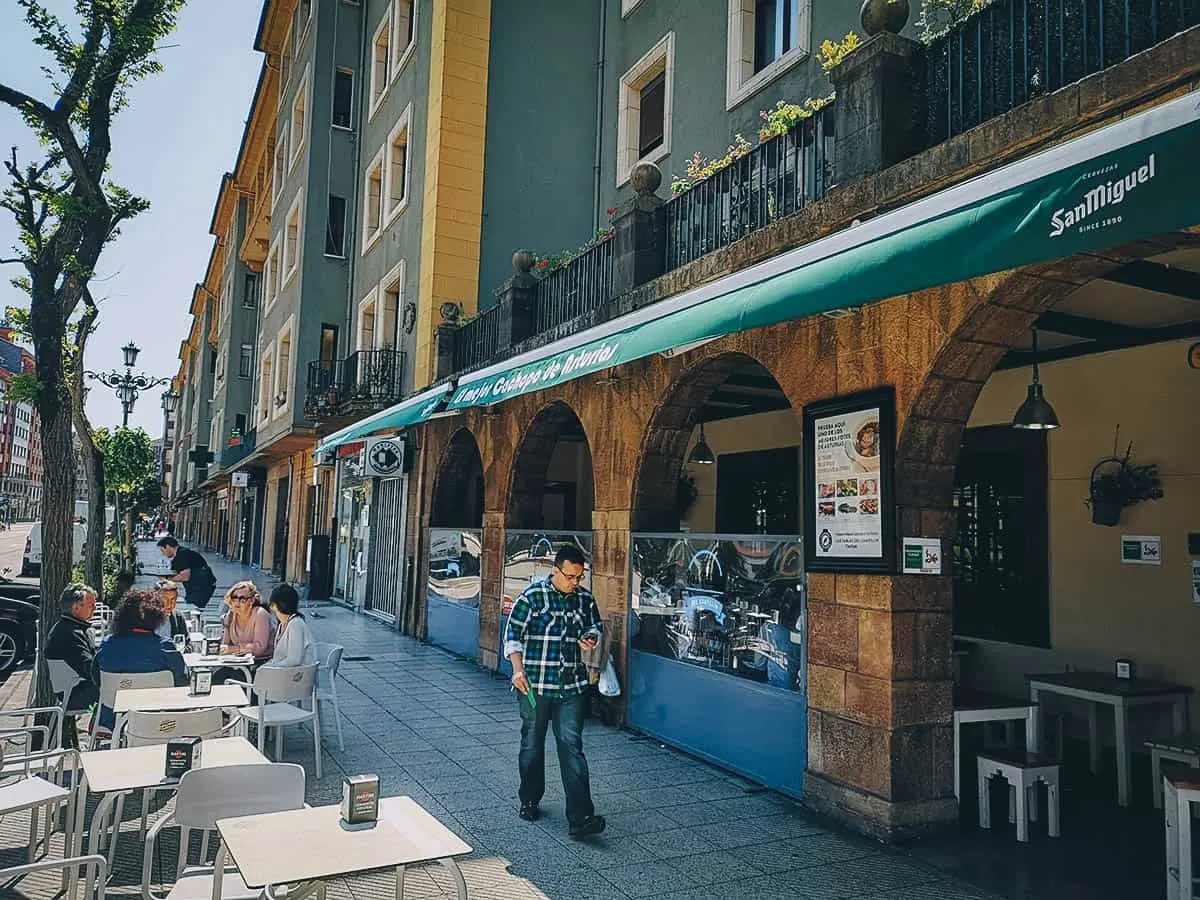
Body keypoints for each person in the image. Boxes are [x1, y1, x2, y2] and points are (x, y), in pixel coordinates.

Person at [504, 545, 605, 839]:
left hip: (571, 685)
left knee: (571, 747)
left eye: (580, 577)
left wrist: (590, 639)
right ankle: (530, 799)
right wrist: (517, 670)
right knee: (532, 743)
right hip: (534, 686)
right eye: (571, 576)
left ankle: (581, 818)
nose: (576, 582)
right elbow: (513, 636)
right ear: (556, 570)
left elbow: (595, 628)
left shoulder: (584, 599)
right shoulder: (533, 597)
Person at [93, 588, 187, 732]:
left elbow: (97, 678)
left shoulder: (107, 645)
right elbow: (182, 680)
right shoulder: (165, 647)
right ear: (157, 617)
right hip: (157, 721)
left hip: (112, 720)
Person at [45, 583, 100, 746]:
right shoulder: (70, 634)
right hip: (73, 695)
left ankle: (103, 735)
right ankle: (103, 736)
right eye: (91, 605)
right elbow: (89, 669)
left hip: (73, 690)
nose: (95, 608)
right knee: (116, 694)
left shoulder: (70, 628)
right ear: (76, 608)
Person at [157, 536, 217, 610]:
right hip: (197, 586)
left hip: (201, 587)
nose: (163, 554)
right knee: (192, 608)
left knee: (192, 609)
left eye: (163, 550)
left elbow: (185, 577)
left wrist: (166, 579)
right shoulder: (180, 554)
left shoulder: (182, 555)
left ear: (168, 546)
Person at [265, 584, 316, 667]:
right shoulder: (283, 624)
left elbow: (294, 660)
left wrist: (270, 667)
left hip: (297, 675)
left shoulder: (295, 624)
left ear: (273, 605)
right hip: (286, 672)